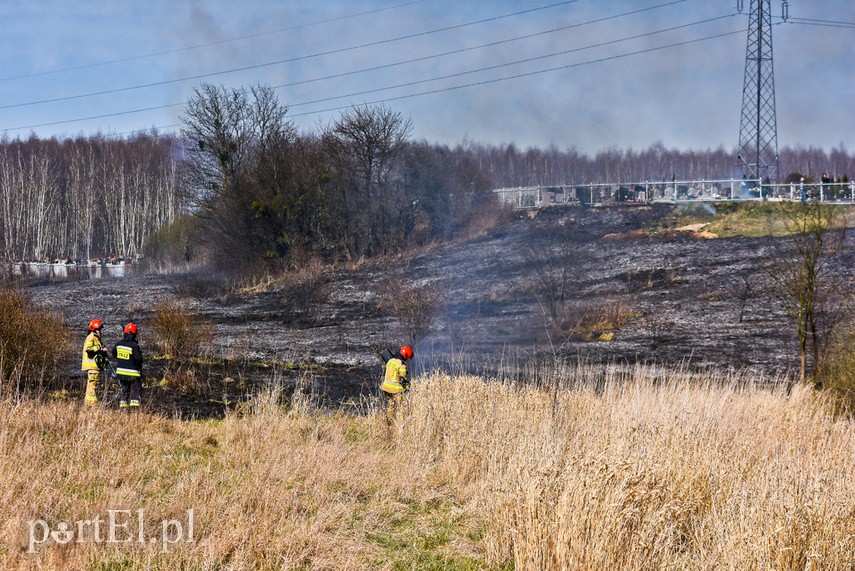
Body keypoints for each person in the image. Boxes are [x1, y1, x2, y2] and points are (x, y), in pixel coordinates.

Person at [380, 345, 414, 426]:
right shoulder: (402, 364)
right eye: (408, 358)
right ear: (405, 355)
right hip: (396, 390)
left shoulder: (390, 361)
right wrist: (409, 385)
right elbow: (402, 380)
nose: (407, 359)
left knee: (391, 406)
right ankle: (402, 424)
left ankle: (389, 423)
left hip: (385, 388)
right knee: (403, 406)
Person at [113, 323, 144, 410]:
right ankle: (134, 408)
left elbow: (114, 354)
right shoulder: (134, 346)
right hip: (133, 373)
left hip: (120, 373)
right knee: (135, 390)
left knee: (124, 390)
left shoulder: (118, 344)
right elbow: (139, 359)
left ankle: (123, 408)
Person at [81, 319, 109, 406]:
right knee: (93, 387)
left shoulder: (95, 338)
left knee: (90, 386)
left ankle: (88, 405)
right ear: (95, 329)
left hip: (95, 367)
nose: (100, 331)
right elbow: (88, 349)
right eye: (99, 329)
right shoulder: (91, 337)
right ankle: (93, 405)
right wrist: (99, 348)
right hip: (93, 367)